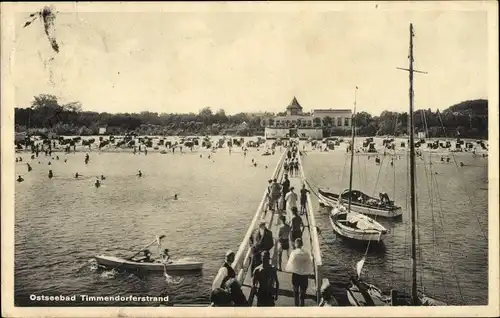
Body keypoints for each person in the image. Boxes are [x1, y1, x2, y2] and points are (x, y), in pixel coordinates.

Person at [285, 238, 314, 307]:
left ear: (295, 245)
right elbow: (310, 263)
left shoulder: (293, 253)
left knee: (296, 292)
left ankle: (296, 307)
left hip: (296, 275)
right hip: (304, 276)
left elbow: (289, 265)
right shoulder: (307, 253)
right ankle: (302, 306)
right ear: (302, 244)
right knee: (302, 294)